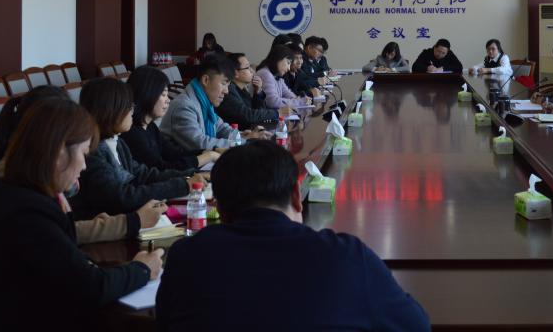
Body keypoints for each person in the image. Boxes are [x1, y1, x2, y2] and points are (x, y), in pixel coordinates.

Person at [155, 140, 430, 331]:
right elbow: (416, 326)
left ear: (221, 210)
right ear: (297, 197)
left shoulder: (186, 256)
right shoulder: (346, 256)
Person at [0, 98, 164, 332]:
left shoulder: (23, 191)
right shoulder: (26, 211)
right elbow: (90, 287)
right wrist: (142, 269)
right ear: (59, 152)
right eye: (83, 153)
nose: (84, 166)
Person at [0, 85, 166, 245]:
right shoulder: (15, 176)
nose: (83, 165)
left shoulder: (39, 166)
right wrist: (130, 222)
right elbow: (61, 233)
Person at [72, 78, 206, 220]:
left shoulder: (117, 142)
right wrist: (181, 185)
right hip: (109, 225)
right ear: (110, 110)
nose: (132, 111)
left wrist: (189, 175)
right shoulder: (93, 152)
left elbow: (142, 175)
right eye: (128, 106)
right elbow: (122, 197)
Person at [122, 65, 220, 171]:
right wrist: (209, 156)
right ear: (147, 94)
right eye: (163, 94)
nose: (168, 100)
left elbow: (174, 153)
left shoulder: (150, 126)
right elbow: (162, 169)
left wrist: (211, 151)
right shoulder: (132, 133)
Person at [161, 55, 245, 151]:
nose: (226, 91)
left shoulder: (205, 103)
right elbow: (201, 144)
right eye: (223, 83)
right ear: (206, 80)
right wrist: (240, 143)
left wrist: (242, 136)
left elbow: (221, 128)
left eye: (228, 85)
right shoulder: (184, 106)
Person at [216, 52, 291, 129]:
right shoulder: (229, 90)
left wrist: (257, 92)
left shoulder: (242, 89)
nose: (252, 71)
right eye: (247, 67)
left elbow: (256, 112)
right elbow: (248, 115)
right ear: (236, 73)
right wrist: (277, 113)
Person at [256, 44, 312, 110]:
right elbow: (272, 101)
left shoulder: (277, 75)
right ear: (278, 59)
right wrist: (299, 102)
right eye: (288, 63)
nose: (288, 68)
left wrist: (300, 99)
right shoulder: (265, 73)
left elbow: (288, 93)